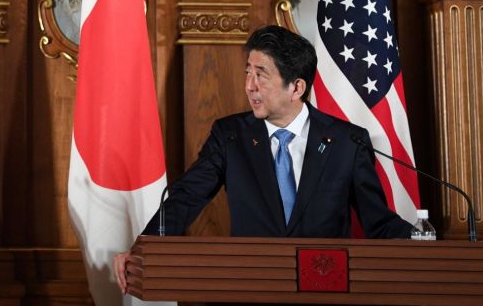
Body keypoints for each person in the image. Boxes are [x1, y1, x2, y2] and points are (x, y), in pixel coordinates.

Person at [113, 25, 412, 292]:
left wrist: (420, 240)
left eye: (261, 75)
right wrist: (142, 248)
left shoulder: (348, 141)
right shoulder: (230, 136)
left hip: (323, 290)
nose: (249, 86)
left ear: (296, 87)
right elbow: (186, 197)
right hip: (251, 288)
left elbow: (378, 221)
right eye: (248, 72)